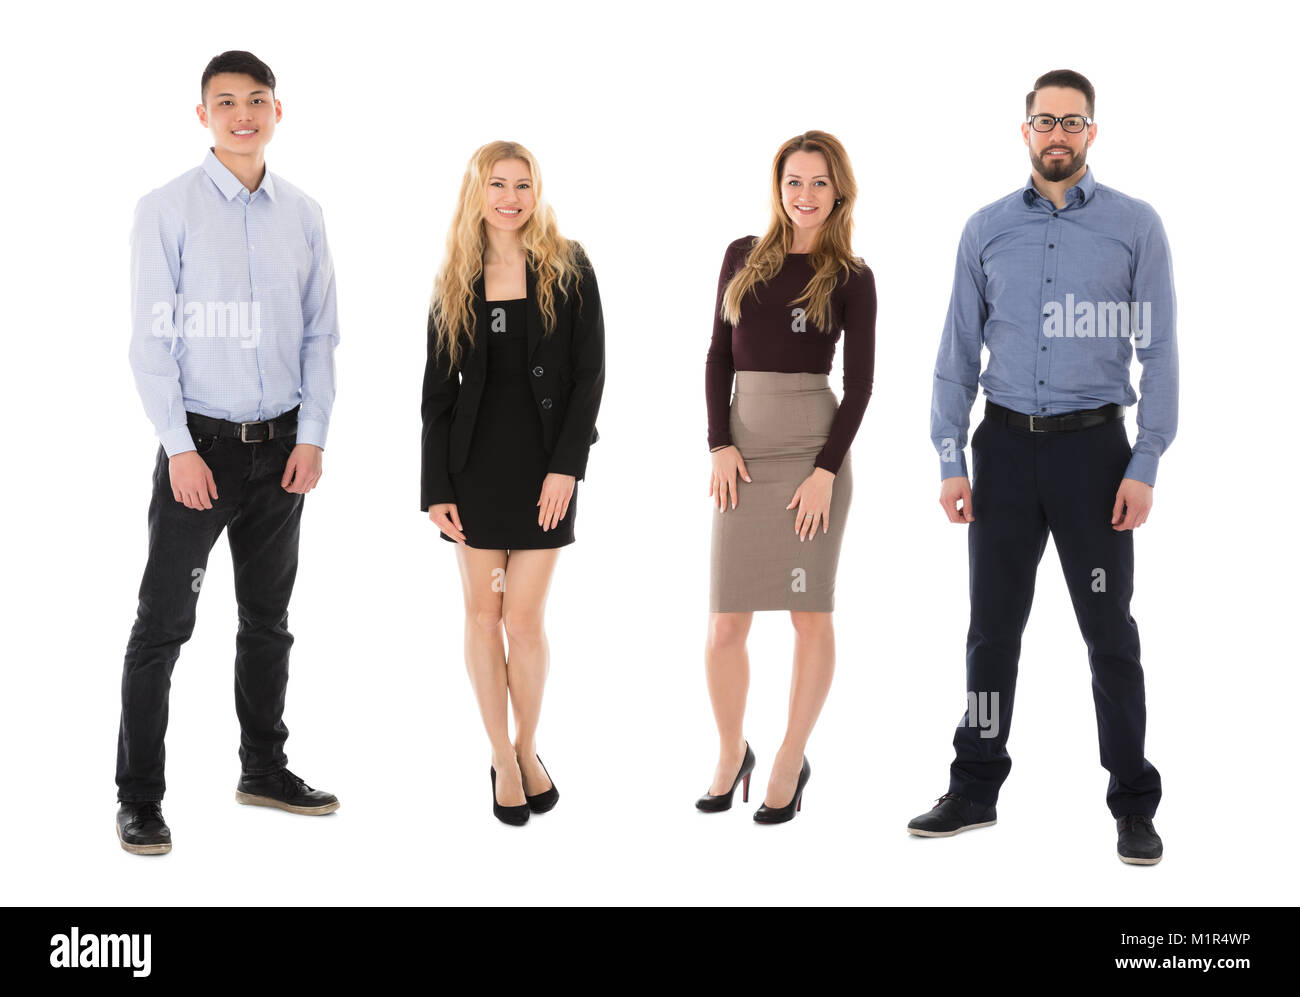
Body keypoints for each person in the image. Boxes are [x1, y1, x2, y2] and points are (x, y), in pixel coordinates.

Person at [912, 69, 1177, 865]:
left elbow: (1159, 351)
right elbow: (957, 350)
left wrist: (1146, 460)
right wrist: (951, 456)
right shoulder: (985, 228)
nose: (1057, 134)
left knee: (1109, 634)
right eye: (1044, 121)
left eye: (1073, 122)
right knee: (990, 632)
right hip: (1003, 452)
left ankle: (1132, 798)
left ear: (1092, 132)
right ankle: (974, 784)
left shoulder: (1136, 226)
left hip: (1095, 455)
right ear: (1023, 130)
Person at [117, 51, 341, 855]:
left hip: (281, 451)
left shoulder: (304, 213)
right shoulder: (166, 209)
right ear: (202, 115)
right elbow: (151, 345)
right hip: (200, 453)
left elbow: (320, 333)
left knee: (269, 621)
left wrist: (312, 432)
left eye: (256, 100)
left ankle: (263, 769)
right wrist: (179, 449)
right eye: (224, 102)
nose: (241, 114)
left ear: (278, 110)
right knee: (163, 628)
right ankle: (139, 797)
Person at [421, 141, 604, 826]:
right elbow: (436, 396)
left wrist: (568, 467)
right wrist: (435, 485)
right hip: (473, 475)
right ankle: (501, 755)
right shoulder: (455, 277)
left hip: (544, 471)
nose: (511, 196)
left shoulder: (569, 263)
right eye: (497, 184)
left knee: (523, 620)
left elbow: (590, 376)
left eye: (523, 184)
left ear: (537, 191)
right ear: (478, 191)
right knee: (482, 614)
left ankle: (529, 747)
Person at [699, 131, 876, 823]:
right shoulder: (742, 256)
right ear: (779, 187)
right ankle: (728, 750)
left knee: (809, 615)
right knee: (723, 626)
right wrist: (718, 442)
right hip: (743, 451)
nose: (804, 195)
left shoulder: (853, 277)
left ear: (839, 193)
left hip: (811, 451)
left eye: (818, 183)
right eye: (793, 181)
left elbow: (859, 386)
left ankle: (788, 757)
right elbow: (718, 355)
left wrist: (825, 471)